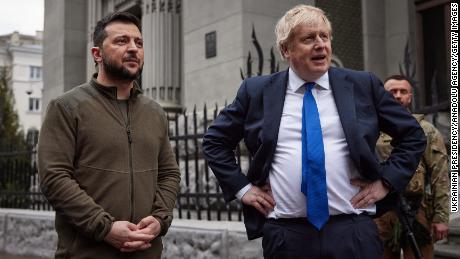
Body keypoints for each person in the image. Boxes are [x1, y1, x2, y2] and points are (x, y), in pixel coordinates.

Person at [202, 5, 427, 259]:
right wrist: (243, 189)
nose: (320, 45)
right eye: (308, 38)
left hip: (353, 233)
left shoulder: (362, 85)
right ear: (286, 49)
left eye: (324, 36)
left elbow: (413, 136)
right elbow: (215, 141)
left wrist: (386, 181)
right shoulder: (257, 91)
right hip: (287, 236)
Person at [38, 12, 180, 258]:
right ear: (97, 54)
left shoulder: (155, 112)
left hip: (147, 252)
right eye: (122, 41)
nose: (133, 48)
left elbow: (169, 173)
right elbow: (54, 177)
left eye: (139, 42)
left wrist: (160, 218)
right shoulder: (67, 107)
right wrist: (104, 228)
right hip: (87, 252)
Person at [375, 75, 449, 259]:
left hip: (417, 209)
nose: (398, 95)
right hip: (379, 211)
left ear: (410, 96)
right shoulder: (370, 128)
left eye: (403, 91)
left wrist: (441, 218)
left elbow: (440, 175)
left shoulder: (426, 130)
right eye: (392, 91)